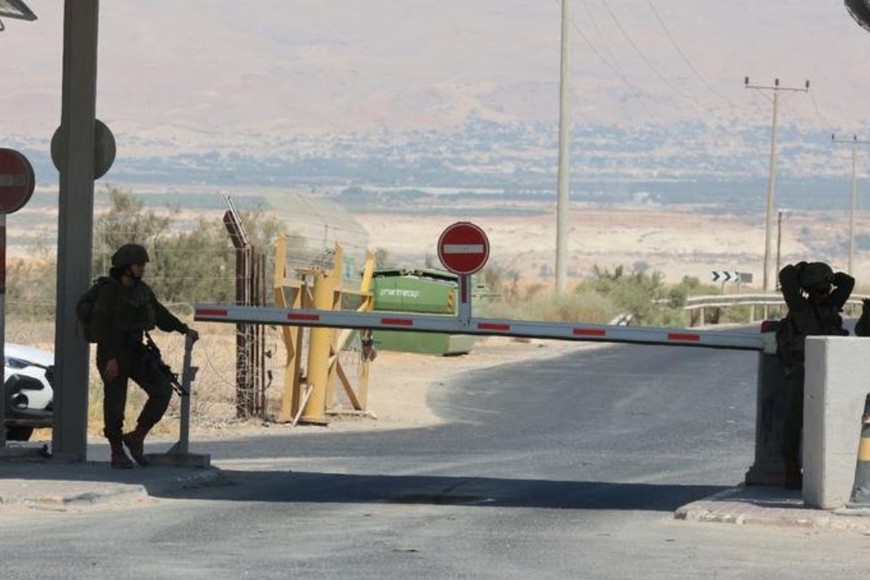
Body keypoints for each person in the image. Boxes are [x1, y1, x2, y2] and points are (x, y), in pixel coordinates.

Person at [89, 243, 199, 468]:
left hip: (135, 349)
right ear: (126, 267)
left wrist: (183, 329)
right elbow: (102, 326)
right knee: (115, 403)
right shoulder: (108, 291)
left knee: (163, 388)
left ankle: (136, 437)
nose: (143, 269)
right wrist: (110, 359)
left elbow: (159, 314)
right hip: (113, 351)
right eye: (139, 265)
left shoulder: (141, 290)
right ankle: (116, 451)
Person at [777, 261, 854, 489]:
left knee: (828, 420)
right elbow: (787, 276)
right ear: (811, 289)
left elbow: (848, 282)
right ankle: (791, 469)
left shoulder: (830, 305)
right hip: (804, 367)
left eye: (827, 287)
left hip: (829, 369)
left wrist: (818, 275)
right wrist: (803, 271)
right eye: (821, 288)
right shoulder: (800, 307)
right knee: (795, 419)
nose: (825, 292)